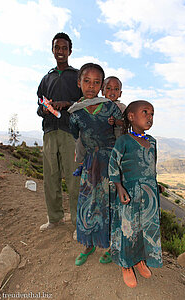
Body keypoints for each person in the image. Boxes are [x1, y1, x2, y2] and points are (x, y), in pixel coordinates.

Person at [69, 63, 122, 266]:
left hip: (110, 162)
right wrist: (81, 157)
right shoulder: (75, 112)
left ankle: (109, 246)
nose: (91, 86)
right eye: (87, 81)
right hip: (90, 164)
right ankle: (88, 244)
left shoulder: (110, 107)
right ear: (79, 83)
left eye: (96, 82)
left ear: (101, 86)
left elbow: (120, 131)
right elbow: (77, 135)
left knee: (110, 204)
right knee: (87, 203)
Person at [108, 100, 163, 288]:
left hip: (149, 196)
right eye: (145, 112)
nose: (150, 117)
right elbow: (113, 165)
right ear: (131, 117)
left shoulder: (153, 141)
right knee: (128, 229)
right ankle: (126, 265)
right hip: (129, 193)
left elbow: (151, 167)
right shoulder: (123, 141)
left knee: (145, 228)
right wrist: (119, 187)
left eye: (152, 113)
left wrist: (156, 184)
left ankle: (140, 259)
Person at [37, 32, 82, 231]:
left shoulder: (78, 76)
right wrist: (44, 109)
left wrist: (68, 104)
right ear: (52, 50)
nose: (60, 51)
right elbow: (39, 106)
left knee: (74, 178)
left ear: (70, 51)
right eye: (57, 47)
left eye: (64, 48)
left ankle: (78, 222)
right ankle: (54, 219)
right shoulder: (46, 78)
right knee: (50, 177)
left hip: (70, 133)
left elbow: (85, 103)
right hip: (49, 132)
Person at [72, 75, 126, 176]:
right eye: (108, 88)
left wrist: (116, 121)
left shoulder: (121, 107)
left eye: (116, 89)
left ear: (120, 93)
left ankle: (118, 163)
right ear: (103, 91)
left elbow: (126, 123)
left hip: (114, 137)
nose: (112, 91)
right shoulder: (98, 103)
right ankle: (81, 163)